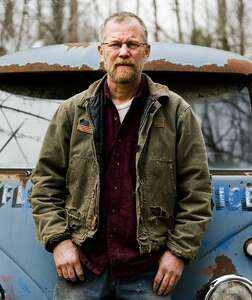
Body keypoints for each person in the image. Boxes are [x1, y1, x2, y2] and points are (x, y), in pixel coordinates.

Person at [30, 11, 212, 300]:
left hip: (148, 272)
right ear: (102, 53)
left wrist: (178, 252)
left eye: (133, 44)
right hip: (83, 269)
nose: (124, 52)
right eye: (115, 44)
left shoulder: (176, 112)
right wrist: (60, 242)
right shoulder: (72, 112)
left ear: (146, 52)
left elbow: (198, 192)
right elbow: (44, 184)